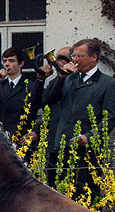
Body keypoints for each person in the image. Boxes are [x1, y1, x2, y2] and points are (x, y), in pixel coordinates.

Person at [42, 39, 115, 199]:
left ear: (94, 57)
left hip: (88, 152)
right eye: (74, 56)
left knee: (87, 196)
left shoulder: (107, 83)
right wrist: (60, 77)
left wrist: (90, 136)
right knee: (61, 197)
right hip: (63, 147)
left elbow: (110, 117)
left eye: (80, 56)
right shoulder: (68, 79)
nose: (74, 60)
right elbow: (47, 101)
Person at [0, 46, 48, 144]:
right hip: (0, 141)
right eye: (5, 61)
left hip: (22, 141)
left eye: (11, 61)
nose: (7, 64)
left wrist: (36, 132)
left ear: (21, 64)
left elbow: (44, 110)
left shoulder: (30, 86)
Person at [43, 46, 71, 187]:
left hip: (72, 143)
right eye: (56, 59)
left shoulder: (80, 80)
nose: (58, 62)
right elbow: (45, 102)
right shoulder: (56, 80)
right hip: (54, 142)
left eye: (64, 59)